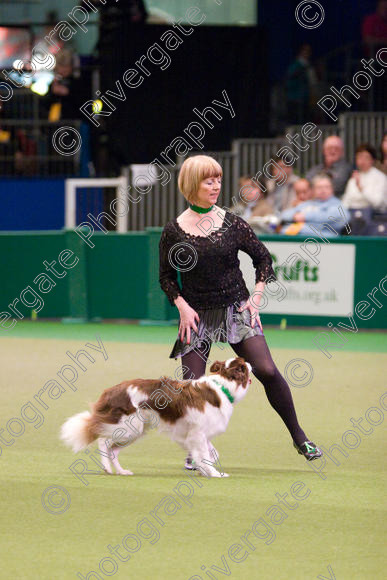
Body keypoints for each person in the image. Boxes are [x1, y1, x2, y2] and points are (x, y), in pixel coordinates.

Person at [159, 155, 322, 468]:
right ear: (192, 184)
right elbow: (166, 277)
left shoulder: (232, 223)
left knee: (268, 371)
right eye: (209, 180)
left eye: (218, 179)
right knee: (191, 389)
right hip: (196, 313)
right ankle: (199, 450)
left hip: (236, 306)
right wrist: (181, 306)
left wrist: (256, 297)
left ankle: (299, 436)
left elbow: (263, 259)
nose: (216, 185)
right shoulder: (173, 231)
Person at [280, 173, 350, 236]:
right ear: (313, 190)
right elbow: (284, 215)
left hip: (327, 240)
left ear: (332, 189)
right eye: (319, 187)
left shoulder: (337, 204)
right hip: (301, 237)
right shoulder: (308, 203)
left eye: (327, 187)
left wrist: (306, 217)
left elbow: (341, 221)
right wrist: (294, 216)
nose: (323, 190)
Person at [342, 144, 387, 211]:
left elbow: (377, 203)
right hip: (353, 214)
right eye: (359, 157)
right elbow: (346, 201)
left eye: (366, 157)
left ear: (372, 160)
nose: (362, 161)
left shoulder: (381, 178)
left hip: (375, 215)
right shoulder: (354, 178)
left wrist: (361, 188)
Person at [285, 44, 318, 124]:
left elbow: (313, 83)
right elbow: (289, 83)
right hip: (295, 100)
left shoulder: (309, 66)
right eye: (305, 51)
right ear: (300, 52)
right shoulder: (295, 67)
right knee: (295, 122)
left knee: (305, 121)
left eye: (308, 51)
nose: (307, 53)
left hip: (305, 99)